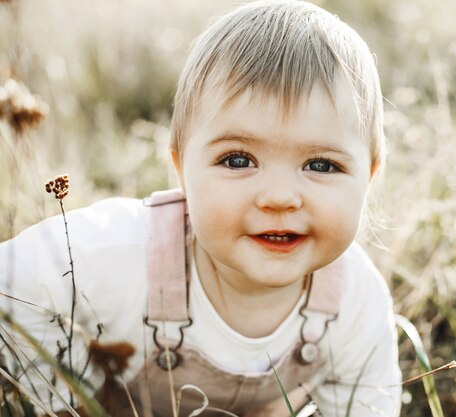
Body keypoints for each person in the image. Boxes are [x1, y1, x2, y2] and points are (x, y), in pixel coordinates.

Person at [0, 1, 401, 416]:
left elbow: (368, 405)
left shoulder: (356, 301)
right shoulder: (124, 252)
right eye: (238, 160)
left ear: (368, 177)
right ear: (181, 171)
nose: (280, 197)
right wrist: (58, 400)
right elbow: (9, 285)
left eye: (321, 165)